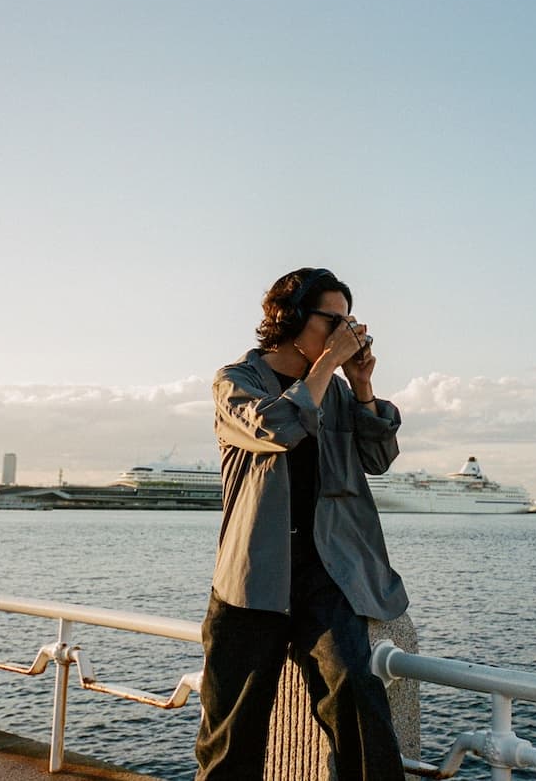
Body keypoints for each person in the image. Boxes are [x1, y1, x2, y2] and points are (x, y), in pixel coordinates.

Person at [194, 267, 409, 781]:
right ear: (289, 317)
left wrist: (360, 384)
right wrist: (330, 362)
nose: (345, 334)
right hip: (252, 577)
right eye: (332, 321)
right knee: (231, 737)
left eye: (350, 323)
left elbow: (379, 457)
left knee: (360, 702)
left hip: (325, 572)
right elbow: (280, 427)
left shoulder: (337, 390)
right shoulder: (236, 382)